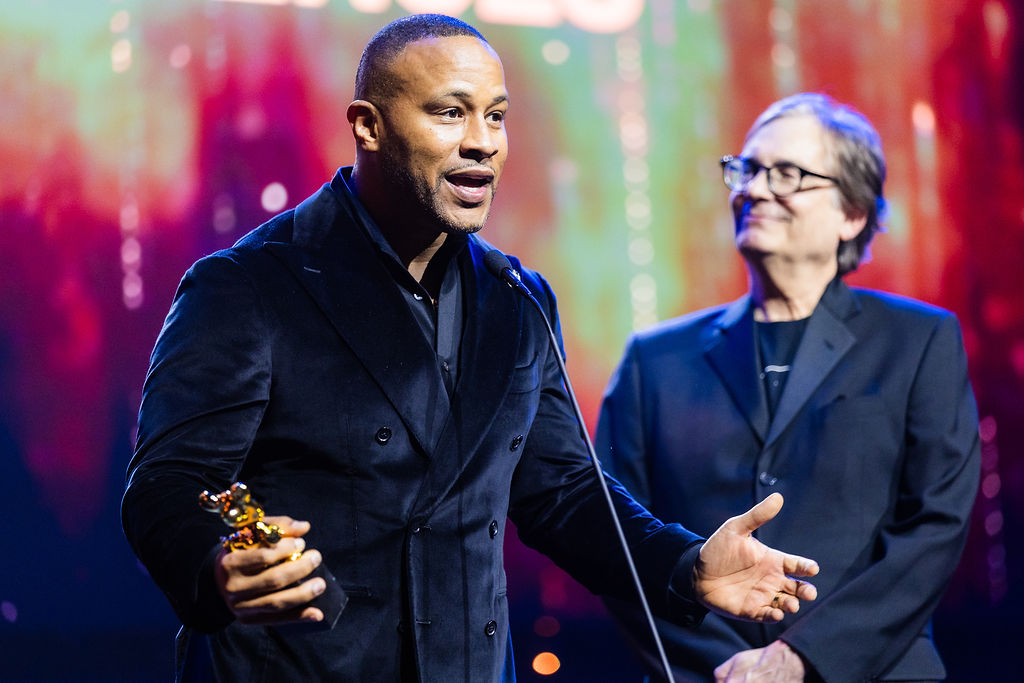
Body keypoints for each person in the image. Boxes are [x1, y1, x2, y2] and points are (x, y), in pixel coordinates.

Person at [121, 14, 819, 683]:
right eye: (451, 113)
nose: (484, 142)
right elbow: (168, 484)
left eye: (496, 115)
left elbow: (563, 492)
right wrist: (219, 567)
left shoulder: (518, 299)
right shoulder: (249, 284)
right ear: (368, 126)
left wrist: (685, 565)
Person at [597, 92, 980, 683]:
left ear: (853, 213)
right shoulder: (655, 360)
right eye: (747, 170)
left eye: (787, 174)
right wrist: (728, 670)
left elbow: (934, 529)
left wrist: (799, 660)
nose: (754, 189)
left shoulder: (918, 341)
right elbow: (614, 535)